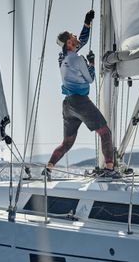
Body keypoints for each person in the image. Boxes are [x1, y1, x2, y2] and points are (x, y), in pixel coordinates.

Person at [43, 9, 117, 180]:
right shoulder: (77, 59)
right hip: (80, 102)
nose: (76, 36)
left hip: (68, 105)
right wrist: (91, 63)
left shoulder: (62, 58)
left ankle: (48, 169)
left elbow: (80, 42)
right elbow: (90, 79)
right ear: (69, 42)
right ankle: (109, 169)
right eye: (72, 36)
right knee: (105, 133)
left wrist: (87, 24)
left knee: (67, 143)